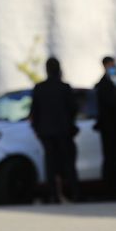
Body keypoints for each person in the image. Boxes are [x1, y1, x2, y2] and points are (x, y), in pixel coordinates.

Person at [31, 57, 79, 203]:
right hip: (63, 131)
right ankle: (74, 193)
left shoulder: (39, 88)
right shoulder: (64, 87)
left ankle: (54, 194)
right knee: (68, 163)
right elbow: (73, 109)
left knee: (50, 164)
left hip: (46, 132)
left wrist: (38, 129)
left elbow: (34, 112)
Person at [94, 55, 116, 199]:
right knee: (110, 158)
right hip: (108, 127)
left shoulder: (113, 82)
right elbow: (111, 103)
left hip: (114, 127)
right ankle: (109, 190)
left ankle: (115, 189)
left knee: (115, 158)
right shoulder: (103, 85)